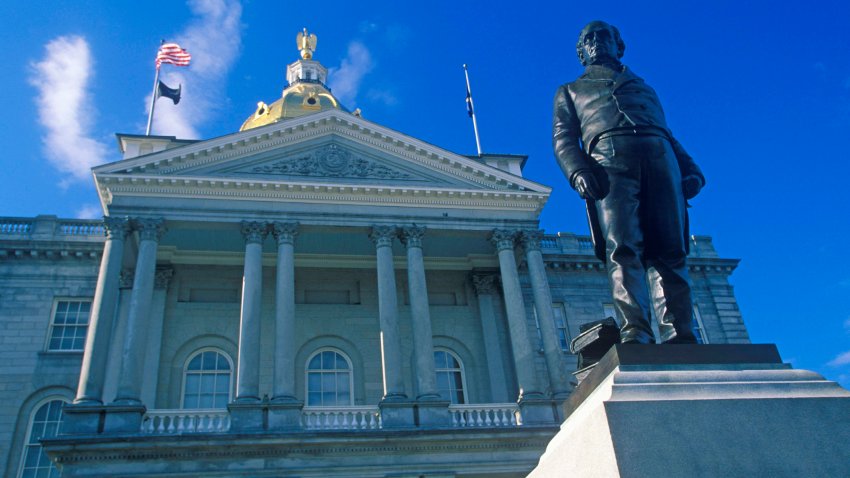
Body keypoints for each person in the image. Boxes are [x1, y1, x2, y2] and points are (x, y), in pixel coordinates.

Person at [552, 21, 705, 344]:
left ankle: (679, 330)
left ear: (618, 45)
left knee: (671, 249)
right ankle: (635, 327)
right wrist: (578, 172)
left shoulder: (644, 87)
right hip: (609, 161)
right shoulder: (571, 90)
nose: (596, 42)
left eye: (603, 36)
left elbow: (664, 131)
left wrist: (689, 167)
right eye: (589, 39)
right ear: (582, 52)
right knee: (622, 246)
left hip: (660, 159)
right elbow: (564, 139)